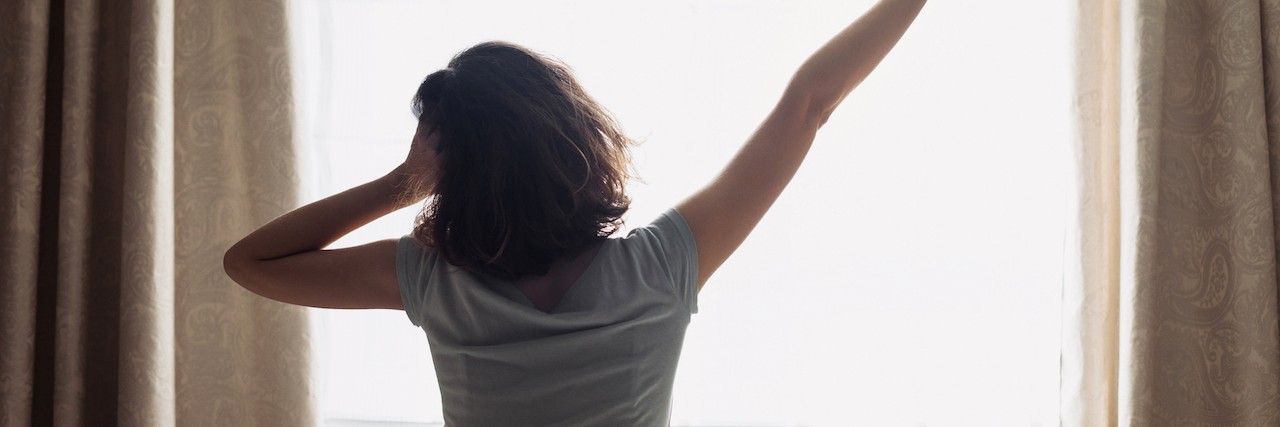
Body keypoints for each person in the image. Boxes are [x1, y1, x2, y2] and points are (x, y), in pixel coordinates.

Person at [224, 0, 926, 425]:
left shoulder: (433, 280)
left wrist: (400, 185)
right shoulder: (663, 267)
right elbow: (809, 102)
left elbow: (249, 263)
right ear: (573, 138)